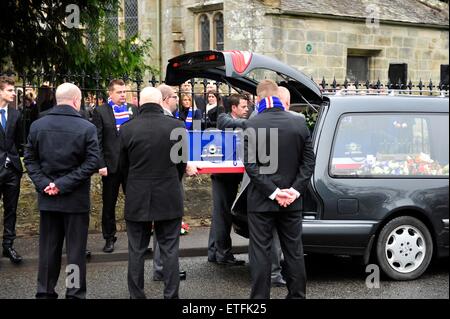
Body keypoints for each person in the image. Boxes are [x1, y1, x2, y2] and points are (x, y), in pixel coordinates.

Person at [23, 82, 99, 299]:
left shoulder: (38, 125)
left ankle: (45, 292)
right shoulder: (87, 127)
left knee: (48, 250)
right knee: (75, 252)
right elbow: (92, 162)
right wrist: (62, 184)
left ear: (57, 99)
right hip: (75, 200)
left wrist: (45, 183)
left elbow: (29, 159)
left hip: (48, 197)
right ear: (77, 101)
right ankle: (73, 293)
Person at [243, 79, 315, 299]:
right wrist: (293, 190)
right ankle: (297, 296)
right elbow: (309, 162)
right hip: (292, 201)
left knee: (260, 253)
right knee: (293, 252)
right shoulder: (299, 123)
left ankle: (259, 301)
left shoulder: (252, 125)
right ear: (278, 96)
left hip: (261, 202)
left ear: (258, 99)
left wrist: (273, 192)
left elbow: (251, 166)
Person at [120, 86, 187, 299]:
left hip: (137, 194)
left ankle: (136, 295)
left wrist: (129, 189)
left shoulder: (127, 129)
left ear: (140, 103)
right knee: (169, 250)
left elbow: (121, 167)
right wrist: (172, 183)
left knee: (136, 250)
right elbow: (181, 164)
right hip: (168, 194)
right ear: (160, 103)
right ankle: (171, 295)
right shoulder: (177, 126)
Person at [92, 79, 137, 253]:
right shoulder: (101, 111)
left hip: (132, 166)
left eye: (124, 92)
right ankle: (109, 238)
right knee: (109, 204)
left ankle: (136, 237)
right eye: (119, 92)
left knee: (134, 202)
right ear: (110, 93)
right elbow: (97, 140)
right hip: (110, 167)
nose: (123, 95)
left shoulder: (133, 110)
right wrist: (100, 164)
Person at [207, 94, 248, 265]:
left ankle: (213, 252)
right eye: (244, 107)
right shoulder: (224, 117)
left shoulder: (244, 119)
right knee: (223, 214)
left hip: (233, 175)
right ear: (234, 108)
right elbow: (224, 124)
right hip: (223, 176)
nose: (247, 110)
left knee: (219, 214)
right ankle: (223, 254)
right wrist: (248, 123)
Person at [0, 76, 23, 265]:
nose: (13, 93)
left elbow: (18, 141)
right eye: (9, 90)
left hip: (12, 169)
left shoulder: (16, 114)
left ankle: (8, 245)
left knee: (11, 209)